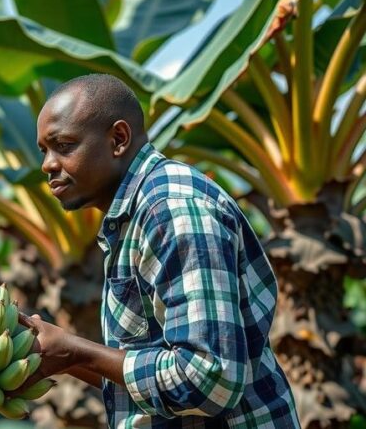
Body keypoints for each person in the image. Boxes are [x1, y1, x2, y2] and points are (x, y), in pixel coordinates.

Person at [16, 74, 300, 428]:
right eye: (45, 150)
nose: (47, 164)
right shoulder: (134, 215)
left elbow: (209, 379)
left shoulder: (171, 211)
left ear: (118, 139)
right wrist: (62, 358)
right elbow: (152, 374)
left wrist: (75, 349)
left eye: (64, 145)